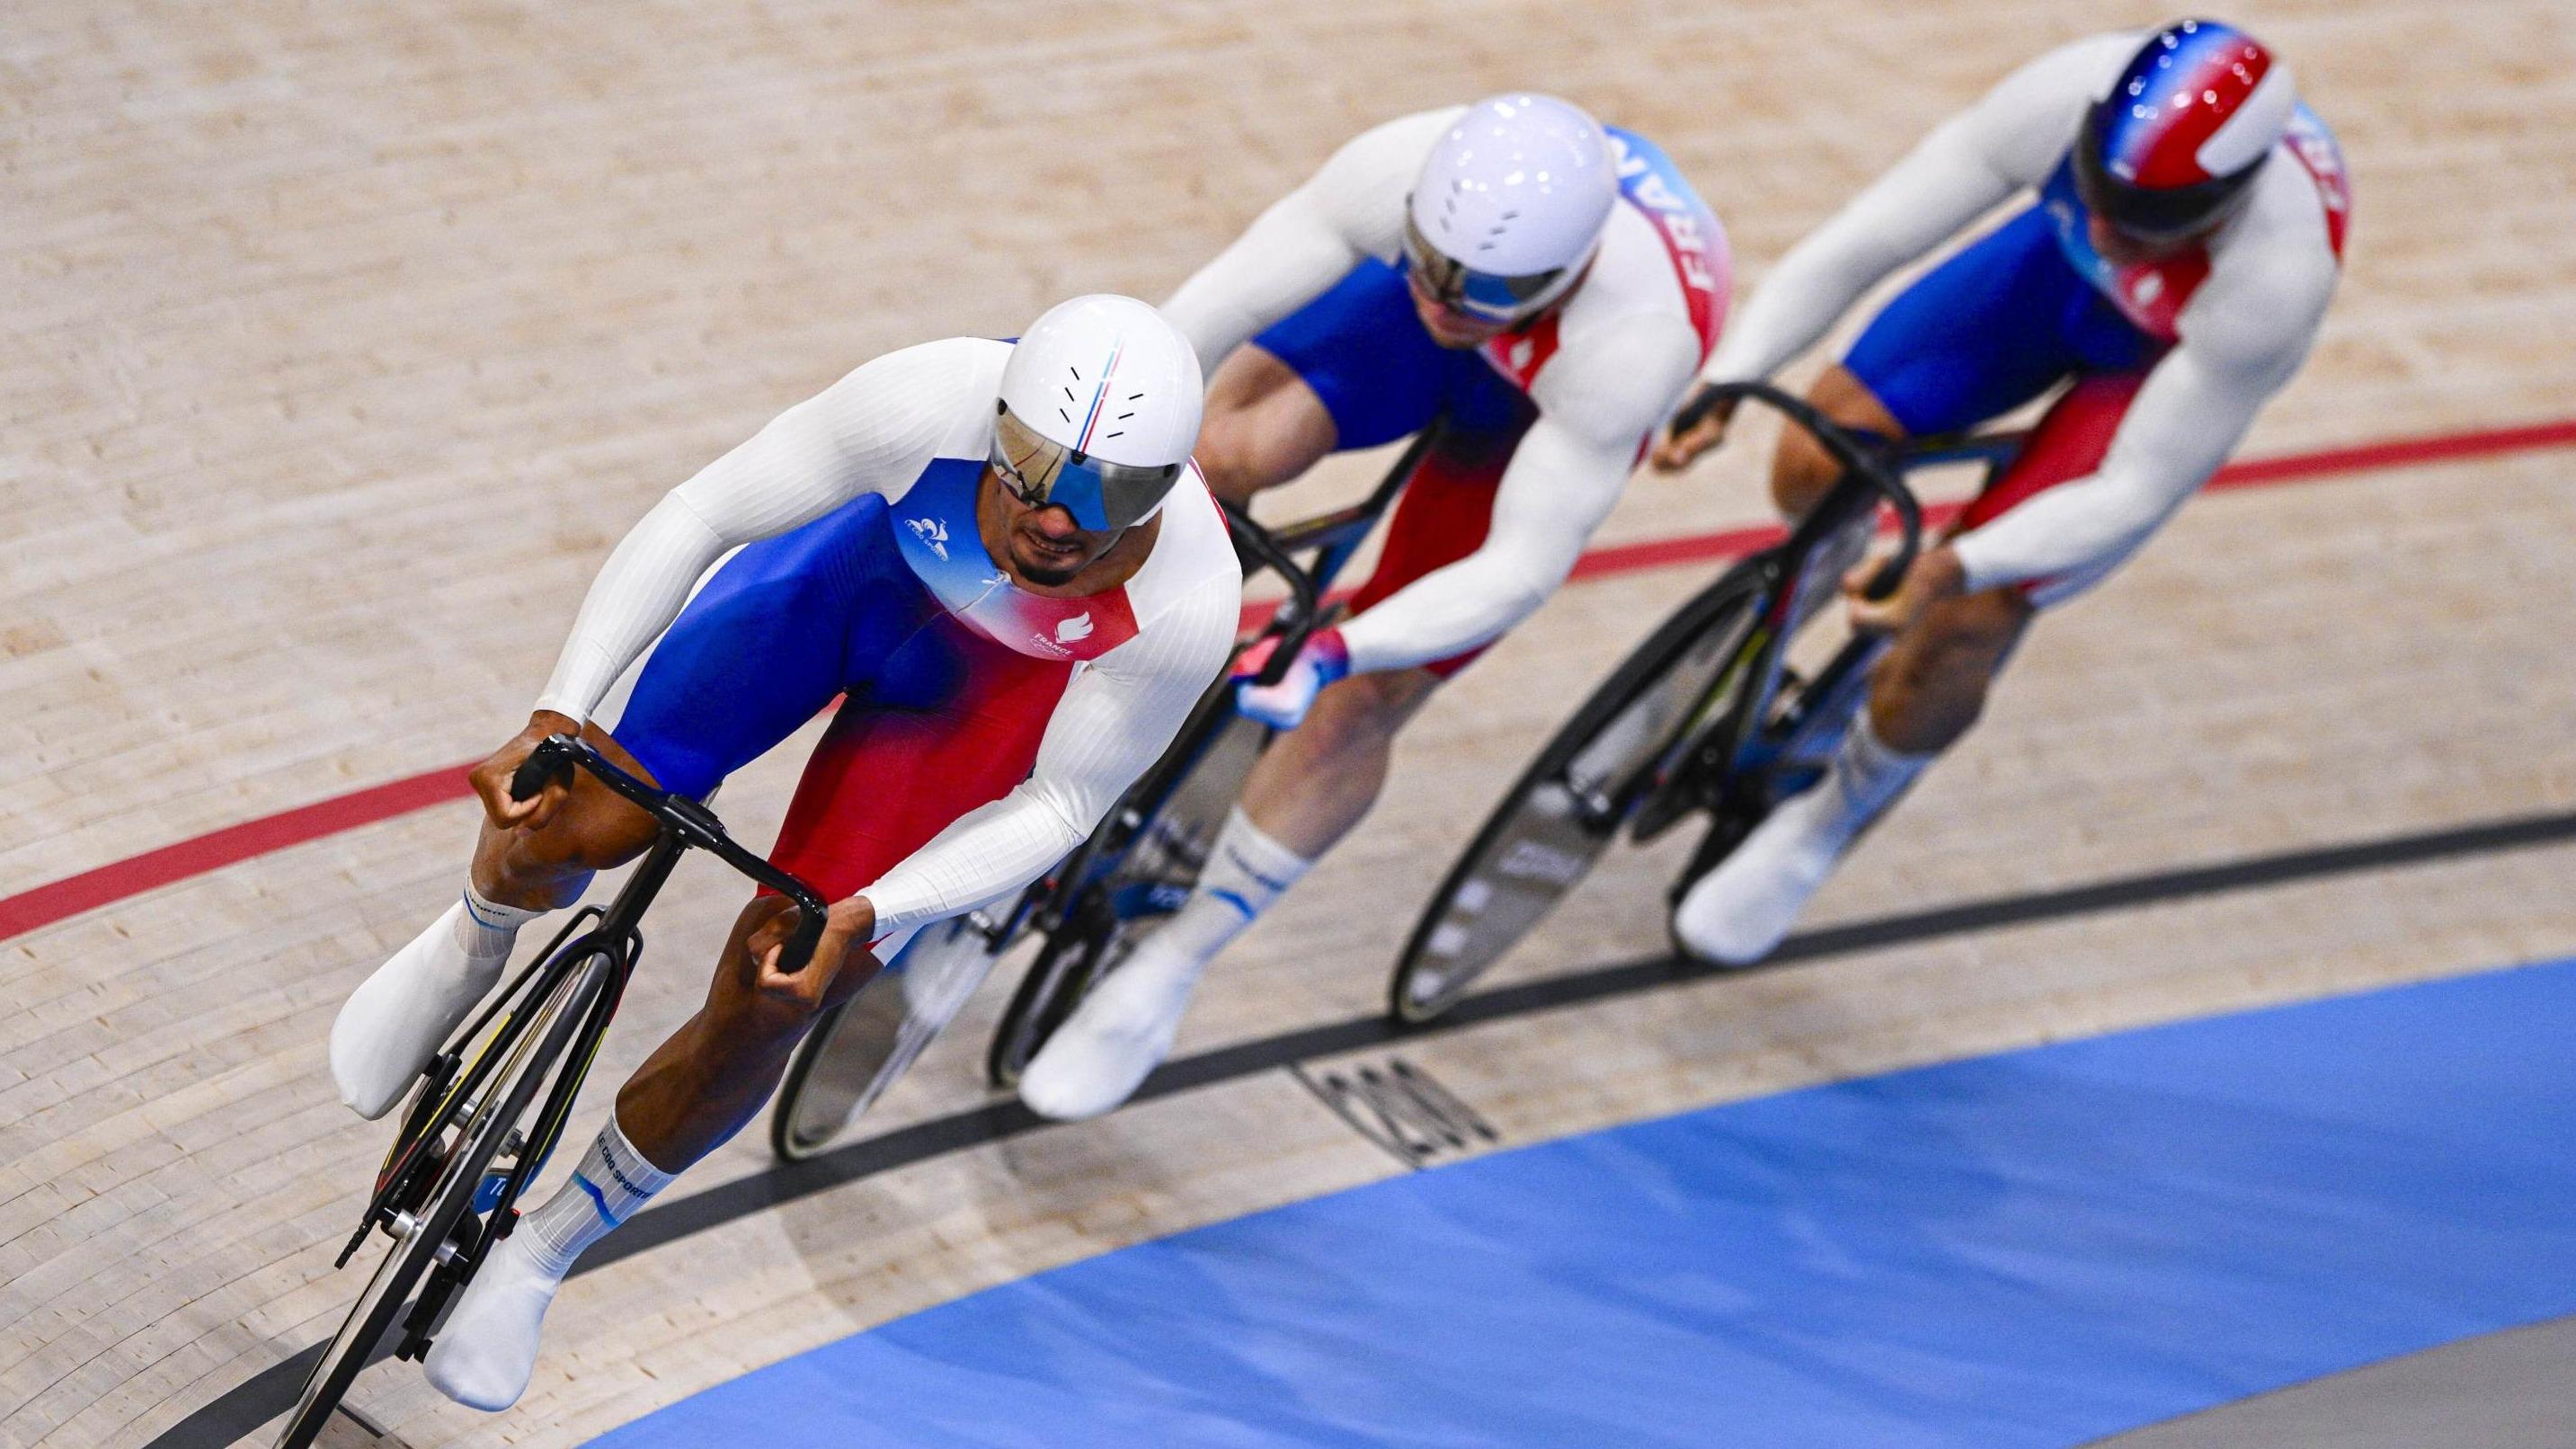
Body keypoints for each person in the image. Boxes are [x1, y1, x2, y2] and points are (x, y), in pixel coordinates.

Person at [324, 295, 1241, 1409]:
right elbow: (703, 512)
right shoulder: (924, 398)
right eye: (1037, 468)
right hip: (841, 590)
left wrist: (879, 911)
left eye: (1113, 492)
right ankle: (466, 951)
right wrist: (559, 709)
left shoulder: (1189, 595)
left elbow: (1061, 803)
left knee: (780, 986)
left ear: (1171, 482)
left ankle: (542, 1250)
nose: (1060, 516)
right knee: (571, 813)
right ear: (997, 426)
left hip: (967, 709)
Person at [1017, 94, 1731, 1120]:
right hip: (1429, 316)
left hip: (1541, 401)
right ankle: (1087, 703)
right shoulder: (1394, 177)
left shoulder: (1631, 345)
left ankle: (1167, 967)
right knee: (1221, 452)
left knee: (1368, 695)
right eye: (1434, 268)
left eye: (1483, 291)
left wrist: (1340, 648)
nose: (1449, 302)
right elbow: (1198, 326)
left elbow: (1519, 567)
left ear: (1566, 271)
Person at [1655, 20, 2350, 964]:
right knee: (1818, 452)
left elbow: (2133, 488)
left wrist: (1957, 562)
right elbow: (1863, 242)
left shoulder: (2274, 272)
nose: (2109, 223)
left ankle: (1820, 828)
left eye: (2143, 217)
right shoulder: (2060, 97)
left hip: (2153, 369)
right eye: (2098, 190)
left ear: (2225, 199)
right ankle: (1802, 598)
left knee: (1967, 622)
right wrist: (1734, 372)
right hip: (2050, 281)